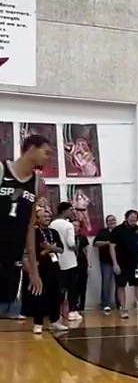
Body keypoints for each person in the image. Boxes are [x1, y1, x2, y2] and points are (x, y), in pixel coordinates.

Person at [0, 133, 51, 306]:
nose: (47, 157)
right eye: (45, 152)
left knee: (7, 307)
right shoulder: (2, 170)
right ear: (32, 149)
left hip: (13, 255)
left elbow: (30, 227)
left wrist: (34, 270)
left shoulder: (36, 182)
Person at [31, 205, 68, 335]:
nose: (47, 218)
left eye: (48, 216)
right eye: (44, 216)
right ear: (38, 219)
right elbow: (36, 251)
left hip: (54, 266)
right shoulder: (34, 233)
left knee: (56, 294)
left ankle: (55, 320)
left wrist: (49, 248)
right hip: (40, 267)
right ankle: (38, 323)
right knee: (40, 295)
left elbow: (61, 249)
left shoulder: (54, 232)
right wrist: (49, 248)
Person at [109, 210, 138, 318]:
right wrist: (115, 264)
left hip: (135, 264)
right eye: (132, 218)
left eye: (135, 218)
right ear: (127, 217)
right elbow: (112, 247)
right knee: (121, 286)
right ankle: (123, 309)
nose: (133, 220)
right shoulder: (118, 230)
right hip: (121, 264)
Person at [51, 202, 81, 321]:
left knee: (59, 288)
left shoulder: (52, 224)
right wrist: (76, 247)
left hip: (57, 260)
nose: (72, 212)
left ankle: (58, 312)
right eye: (70, 210)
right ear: (64, 211)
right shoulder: (68, 225)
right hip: (69, 261)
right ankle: (72, 311)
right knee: (72, 288)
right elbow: (70, 243)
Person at [94, 214, 117, 312]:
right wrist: (108, 243)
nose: (111, 222)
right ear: (106, 222)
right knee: (106, 283)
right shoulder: (102, 232)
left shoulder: (119, 231)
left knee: (119, 284)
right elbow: (95, 243)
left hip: (119, 261)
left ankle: (119, 303)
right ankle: (105, 303)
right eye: (109, 220)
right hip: (106, 261)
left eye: (113, 220)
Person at [74, 219, 90, 312]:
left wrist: (89, 264)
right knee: (73, 285)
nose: (75, 227)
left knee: (82, 285)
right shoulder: (68, 237)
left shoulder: (83, 238)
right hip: (72, 264)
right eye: (73, 225)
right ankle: (73, 305)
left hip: (82, 263)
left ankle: (82, 306)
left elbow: (86, 251)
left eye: (77, 226)